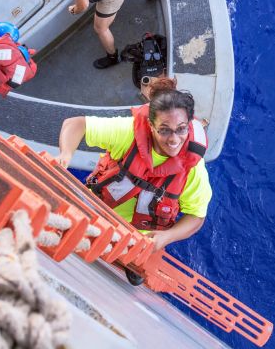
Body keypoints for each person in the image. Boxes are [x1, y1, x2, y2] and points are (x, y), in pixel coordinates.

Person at [56, 77, 212, 270]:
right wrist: (66, 154)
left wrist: (167, 237)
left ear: (189, 125)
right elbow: (76, 124)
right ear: (151, 125)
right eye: (164, 130)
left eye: (180, 130)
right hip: (93, 210)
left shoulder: (193, 168)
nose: (173, 140)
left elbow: (197, 216)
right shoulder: (128, 133)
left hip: (136, 240)